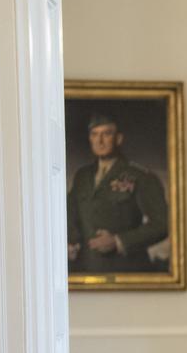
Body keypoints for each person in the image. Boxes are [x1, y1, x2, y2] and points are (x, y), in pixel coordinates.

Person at [67, 114, 169, 273]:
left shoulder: (140, 176)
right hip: (85, 269)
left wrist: (118, 241)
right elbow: (69, 214)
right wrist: (70, 242)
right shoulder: (82, 176)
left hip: (125, 269)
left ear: (119, 139)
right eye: (94, 134)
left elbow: (163, 223)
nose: (99, 140)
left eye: (106, 134)